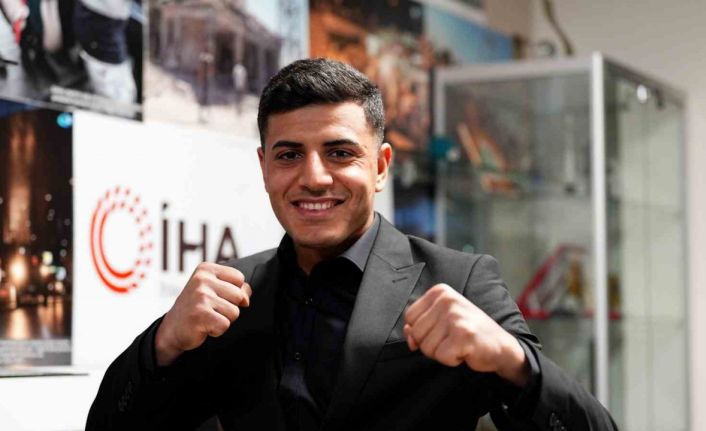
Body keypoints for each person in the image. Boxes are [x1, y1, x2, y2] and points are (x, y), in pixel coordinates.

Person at [86, 58, 618, 430]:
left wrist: (510, 359)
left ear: (381, 166)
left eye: (340, 153)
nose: (314, 177)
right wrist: (162, 344)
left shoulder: (460, 281)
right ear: (264, 167)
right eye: (289, 155)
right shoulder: (229, 299)